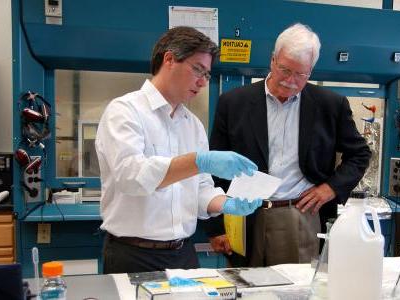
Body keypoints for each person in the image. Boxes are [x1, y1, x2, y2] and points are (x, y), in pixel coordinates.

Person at [95, 26, 262, 274]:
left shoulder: (192, 125)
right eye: (198, 70)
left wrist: (227, 203)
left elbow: (201, 190)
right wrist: (198, 161)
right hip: (133, 255)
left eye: (207, 75)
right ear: (170, 59)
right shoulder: (125, 111)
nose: (203, 82)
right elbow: (132, 177)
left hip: (183, 254)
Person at [202, 23, 371, 267]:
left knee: (296, 290)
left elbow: (360, 154)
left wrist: (330, 188)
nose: (291, 81)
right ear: (273, 60)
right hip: (244, 216)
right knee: (245, 287)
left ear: (310, 71)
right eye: (285, 70)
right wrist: (215, 226)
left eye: (301, 74)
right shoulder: (234, 103)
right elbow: (214, 169)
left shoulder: (330, 105)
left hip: (299, 216)